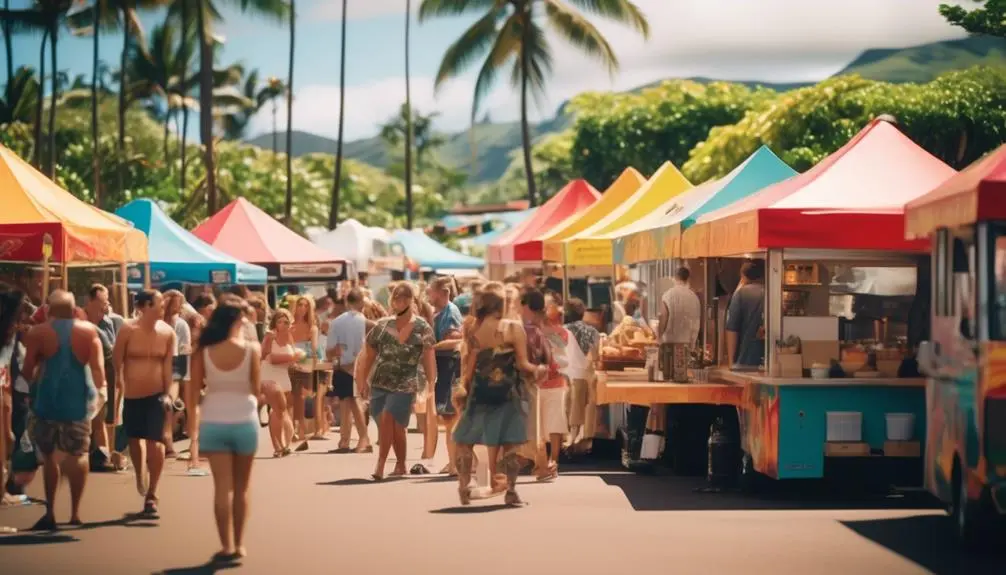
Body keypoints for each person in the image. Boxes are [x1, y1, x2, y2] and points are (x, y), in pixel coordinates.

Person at [452, 284, 548, 506]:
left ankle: (464, 485)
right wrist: (539, 370)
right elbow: (523, 364)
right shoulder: (513, 328)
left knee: (465, 441)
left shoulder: (473, 329)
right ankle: (511, 491)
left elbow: (469, 364)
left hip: (478, 391)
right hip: (507, 391)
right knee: (510, 443)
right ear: (501, 305)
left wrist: (462, 388)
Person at [21, 290, 104, 529]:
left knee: (50, 457)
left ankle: (51, 512)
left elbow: (28, 370)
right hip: (80, 401)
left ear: (49, 309)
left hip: (48, 401)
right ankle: (75, 512)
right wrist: (99, 396)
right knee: (79, 454)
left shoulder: (39, 332)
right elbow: (98, 370)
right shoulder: (89, 332)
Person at [188, 298, 261, 562]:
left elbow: (193, 391)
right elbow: (256, 388)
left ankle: (226, 545)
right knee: (242, 489)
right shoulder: (252, 349)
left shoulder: (203, 351)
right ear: (236, 320)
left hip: (214, 421)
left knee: (221, 488)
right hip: (245, 420)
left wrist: (192, 427)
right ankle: (240, 545)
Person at [355, 282, 436, 480]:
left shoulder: (422, 327)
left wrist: (431, 384)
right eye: (396, 298)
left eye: (404, 298)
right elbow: (369, 355)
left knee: (388, 417)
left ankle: (380, 465)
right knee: (396, 427)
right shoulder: (383, 325)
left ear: (412, 300)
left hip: (406, 381)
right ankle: (400, 464)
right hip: (380, 380)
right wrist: (362, 381)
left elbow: (428, 357)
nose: (399, 302)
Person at [113, 289, 176, 517]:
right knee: (135, 439)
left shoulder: (168, 332)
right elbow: (117, 360)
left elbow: (168, 365)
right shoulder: (128, 329)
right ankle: (140, 474)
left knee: (156, 442)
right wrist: (120, 387)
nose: (163, 308)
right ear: (145, 306)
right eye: (159, 304)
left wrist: (168, 394)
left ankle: (152, 493)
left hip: (156, 395)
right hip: (132, 395)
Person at [82, 283, 123, 473]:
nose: (104, 308)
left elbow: (112, 352)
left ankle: (104, 456)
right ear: (89, 301)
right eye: (101, 303)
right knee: (88, 420)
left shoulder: (111, 322)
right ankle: (89, 457)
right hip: (83, 376)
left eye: (106, 303)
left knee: (104, 419)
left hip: (105, 375)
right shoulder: (80, 320)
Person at [326, 289, 372, 453]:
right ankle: (359, 439)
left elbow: (329, 351)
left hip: (342, 366)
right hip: (360, 366)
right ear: (361, 302)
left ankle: (347, 440)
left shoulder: (336, 322)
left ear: (347, 302)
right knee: (354, 401)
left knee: (348, 401)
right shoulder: (366, 322)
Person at [427, 277, 464, 474]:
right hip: (442, 366)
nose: (428, 295)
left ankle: (456, 463)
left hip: (449, 365)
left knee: (451, 418)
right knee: (448, 418)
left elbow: (456, 340)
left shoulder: (451, 312)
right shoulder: (439, 312)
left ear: (443, 292)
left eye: (431, 291)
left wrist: (432, 347)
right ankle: (455, 461)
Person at [260, 308, 300, 457]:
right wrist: (290, 359)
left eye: (286, 322)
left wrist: (295, 362)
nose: (283, 324)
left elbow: (294, 356)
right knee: (276, 410)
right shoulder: (270, 336)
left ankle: (286, 442)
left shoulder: (289, 337)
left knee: (282, 410)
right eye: (280, 321)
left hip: (284, 375)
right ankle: (278, 446)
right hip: (269, 375)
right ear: (274, 323)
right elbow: (264, 356)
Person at [564, 297, 600, 454]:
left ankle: (571, 439)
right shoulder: (593, 331)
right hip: (587, 371)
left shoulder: (564, 330)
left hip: (568, 372)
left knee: (571, 405)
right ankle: (584, 440)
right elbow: (596, 354)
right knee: (587, 405)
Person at [657, 267, 702, 382]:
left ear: (675, 277)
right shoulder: (694, 297)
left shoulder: (668, 295)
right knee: (682, 376)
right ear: (688, 279)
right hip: (687, 344)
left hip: (670, 344)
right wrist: (693, 342)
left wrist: (659, 336)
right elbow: (697, 321)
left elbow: (663, 316)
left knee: (668, 377)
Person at [163, 290, 192, 459]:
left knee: (168, 404)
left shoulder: (181, 325)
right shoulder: (157, 322)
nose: (178, 307)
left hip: (174, 370)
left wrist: (185, 376)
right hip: (158, 367)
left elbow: (185, 351)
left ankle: (168, 441)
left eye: (179, 303)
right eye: (175, 303)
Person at [289, 296, 319, 447]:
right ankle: (293, 429)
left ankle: (300, 429)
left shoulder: (311, 327)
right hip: (290, 361)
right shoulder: (290, 326)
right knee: (292, 397)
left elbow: (314, 350)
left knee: (301, 397)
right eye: (300, 305)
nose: (302, 308)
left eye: (306, 306)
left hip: (305, 363)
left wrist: (314, 368)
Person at [726, 261, 766, 370]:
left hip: (745, 359)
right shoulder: (772, 292)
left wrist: (731, 362)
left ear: (743, 276)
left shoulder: (741, 294)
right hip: (770, 360)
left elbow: (732, 330)